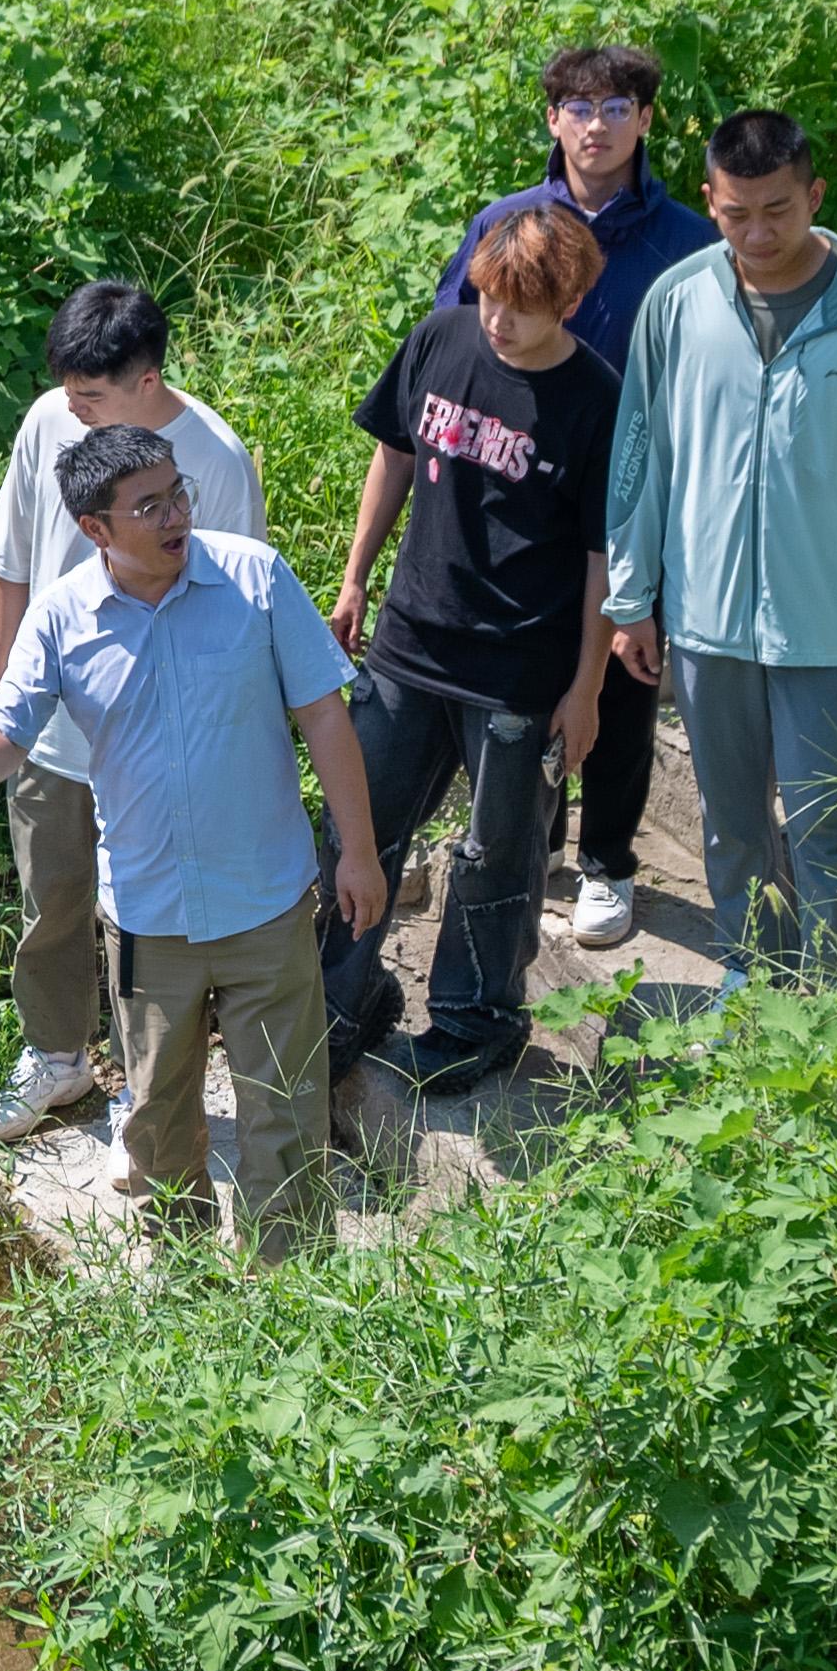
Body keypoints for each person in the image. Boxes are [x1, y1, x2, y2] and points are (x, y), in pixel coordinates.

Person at [0, 426, 389, 1263]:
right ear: (95, 528)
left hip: (266, 903)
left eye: (177, 493)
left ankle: (291, 1291)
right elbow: (12, 727)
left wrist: (356, 851)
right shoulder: (63, 614)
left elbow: (323, 712)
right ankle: (182, 1291)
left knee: (283, 1113)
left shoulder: (253, 577)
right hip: (148, 920)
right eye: (150, 506)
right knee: (156, 1119)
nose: (175, 515)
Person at [601, 110, 837, 986]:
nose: (756, 233)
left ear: (814, 196)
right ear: (709, 200)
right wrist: (631, 597)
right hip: (709, 620)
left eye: (777, 212)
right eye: (736, 213)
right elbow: (641, 452)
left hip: (827, 623)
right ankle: (755, 984)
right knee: (732, 823)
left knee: (833, 822)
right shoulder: (677, 301)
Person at [427, 43, 713, 954]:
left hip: (635, 496)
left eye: (617, 106)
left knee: (623, 678)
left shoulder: (684, 243)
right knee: (532, 670)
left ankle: (608, 861)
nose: (597, 124)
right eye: (578, 106)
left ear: (646, 119)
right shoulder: (504, 223)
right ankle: (529, 839)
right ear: (552, 120)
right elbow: (451, 336)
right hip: (514, 489)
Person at [327, 199, 618, 1094]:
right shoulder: (441, 338)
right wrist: (353, 576)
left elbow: (606, 557)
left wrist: (585, 689)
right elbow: (395, 457)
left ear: (566, 302)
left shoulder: (597, 401)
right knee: (355, 830)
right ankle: (338, 998)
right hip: (409, 644)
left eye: (520, 308)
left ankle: (474, 1020)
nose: (497, 320)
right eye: (489, 297)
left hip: (518, 675)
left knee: (497, 857)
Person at [0, 278, 265, 1144]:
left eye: (90, 397)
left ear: (148, 381)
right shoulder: (46, 423)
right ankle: (56, 1058)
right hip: (51, 727)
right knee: (51, 898)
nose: (73, 410)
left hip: (163, 737)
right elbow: (12, 561)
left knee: (153, 918)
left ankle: (153, 1089)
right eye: (67, 391)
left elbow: (239, 600)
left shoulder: (211, 457)